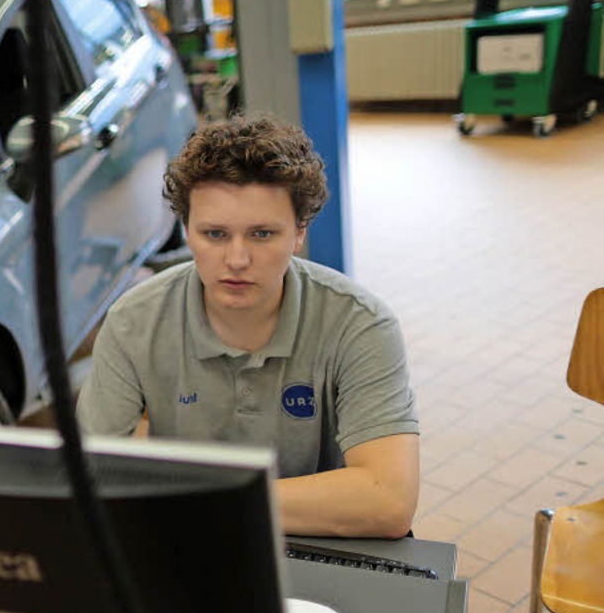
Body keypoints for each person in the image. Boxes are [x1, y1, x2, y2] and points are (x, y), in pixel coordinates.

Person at [77, 115, 419, 539]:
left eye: (261, 234)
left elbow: (389, 501)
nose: (237, 260)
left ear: (299, 233)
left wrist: (210, 501)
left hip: (320, 544)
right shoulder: (132, 323)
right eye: (215, 234)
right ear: (187, 232)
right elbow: (95, 479)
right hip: (191, 541)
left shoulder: (360, 326)